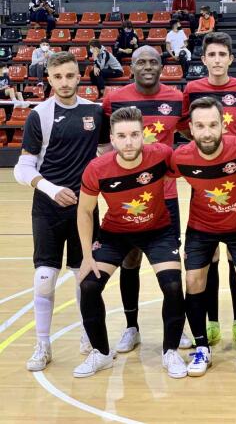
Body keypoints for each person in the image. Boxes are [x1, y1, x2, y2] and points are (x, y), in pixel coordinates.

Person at [75, 107, 187, 379]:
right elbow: (84, 211)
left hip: (158, 230)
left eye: (135, 135)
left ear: (143, 135)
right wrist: (87, 256)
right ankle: (101, 353)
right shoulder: (98, 168)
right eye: (122, 136)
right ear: (112, 139)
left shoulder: (160, 155)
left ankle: (170, 351)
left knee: (173, 285)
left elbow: (196, 164)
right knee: (89, 285)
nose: (129, 142)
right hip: (115, 233)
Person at [13, 51, 108, 372]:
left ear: (79, 75)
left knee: (86, 276)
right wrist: (52, 189)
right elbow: (23, 168)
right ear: (49, 79)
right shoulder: (38, 115)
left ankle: (88, 335)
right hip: (47, 209)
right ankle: (43, 344)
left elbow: (107, 157)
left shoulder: (95, 113)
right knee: (44, 279)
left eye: (70, 76)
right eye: (58, 77)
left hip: (85, 209)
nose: (64, 82)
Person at [102, 45, 191, 353]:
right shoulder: (114, 100)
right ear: (132, 67)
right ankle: (131, 327)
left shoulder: (177, 100)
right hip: (126, 196)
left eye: (154, 61)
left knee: (170, 267)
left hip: (164, 197)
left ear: (162, 66)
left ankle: (175, 328)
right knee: (130, 260)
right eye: (141, 61)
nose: (148, 66)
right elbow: (103, 142)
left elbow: (192, 136)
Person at [170, 96, 236, 377]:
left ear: (223, 124)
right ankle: (202, 347)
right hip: (201, 226)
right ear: (191, 128)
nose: (207, 132)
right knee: (192, 280)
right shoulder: (180, 157)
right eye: (200, 126)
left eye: (213, 124)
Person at [182, 32, 236, 345]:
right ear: (203, 59)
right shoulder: (192, 89)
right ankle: (211, 322)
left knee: (235, 263)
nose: (216, 60)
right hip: (208, 176)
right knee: (207, 261)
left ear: (230, 58)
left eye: (221, 55)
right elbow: (190, 130)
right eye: (211, 55)